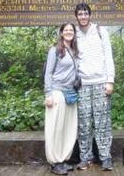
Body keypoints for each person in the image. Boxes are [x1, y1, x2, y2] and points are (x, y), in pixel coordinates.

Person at [74, 3, 115, 171]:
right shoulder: (74, 33)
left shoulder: (100, 31)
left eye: (85, 14)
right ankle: (85, 157)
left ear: (90, 15)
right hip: (82, 85)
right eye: (80, 14)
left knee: (102, 122)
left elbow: (108, 56)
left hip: (100, 82)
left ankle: (105, 157)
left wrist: (110, 80)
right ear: (76, 16)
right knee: (83, 122)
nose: (83, 17)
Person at [44, 23, 79, 175]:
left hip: (71, 94)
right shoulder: (55, 50)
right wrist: (48, 94)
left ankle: (63, 159)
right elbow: (48, 73)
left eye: (71, 30)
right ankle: (55, 162)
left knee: (68, 129)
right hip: (57, 93)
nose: (69, 32)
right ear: (61, 33)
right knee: (55, 129)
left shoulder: (75, 50)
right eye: (66, 30)